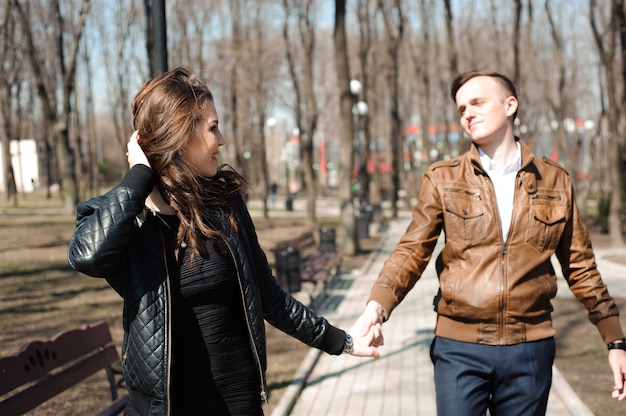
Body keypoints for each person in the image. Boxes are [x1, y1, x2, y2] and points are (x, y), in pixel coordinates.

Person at [68, 66, 378, 416]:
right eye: (213, 127)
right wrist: (139, 176)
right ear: (181, 134)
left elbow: (267, 295)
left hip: (237, 404)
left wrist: (342, 341)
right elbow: (87, 256)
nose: (222, 139)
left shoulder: (223, 202)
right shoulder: (126, 214)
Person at [352, 69, 626, 415]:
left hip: (530, 349)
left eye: (477, 102)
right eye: (461, 108)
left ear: (510, 105)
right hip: (459, 348)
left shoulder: (556, 181)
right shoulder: (443, 179)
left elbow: (581, 267)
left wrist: (614, 339)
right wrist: (377, 306)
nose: (467, 112)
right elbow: (412, 250)